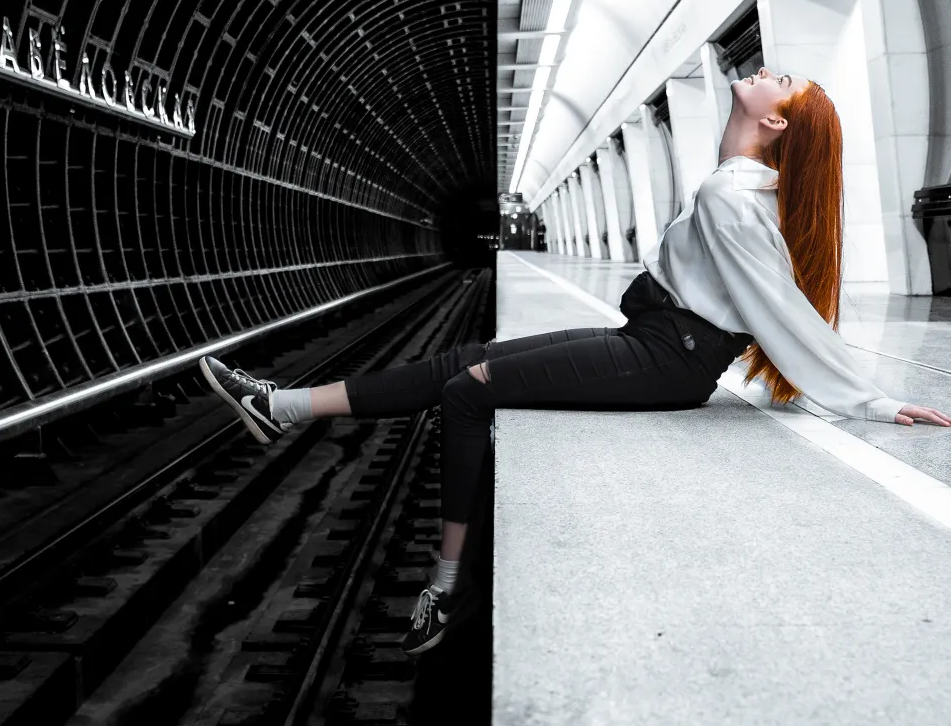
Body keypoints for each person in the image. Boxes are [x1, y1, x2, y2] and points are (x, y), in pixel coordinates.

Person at [200, 67, 950, 654]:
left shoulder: (735, 194)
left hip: (667, 357)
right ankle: (280, 407)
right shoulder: (739, 185)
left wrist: (872, 402)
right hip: (656, 342)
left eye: (779, 79)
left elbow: (780, 310)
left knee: (467, 390)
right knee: (464, 358)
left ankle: (448, 584)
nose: (765, 72)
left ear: (775, 119)